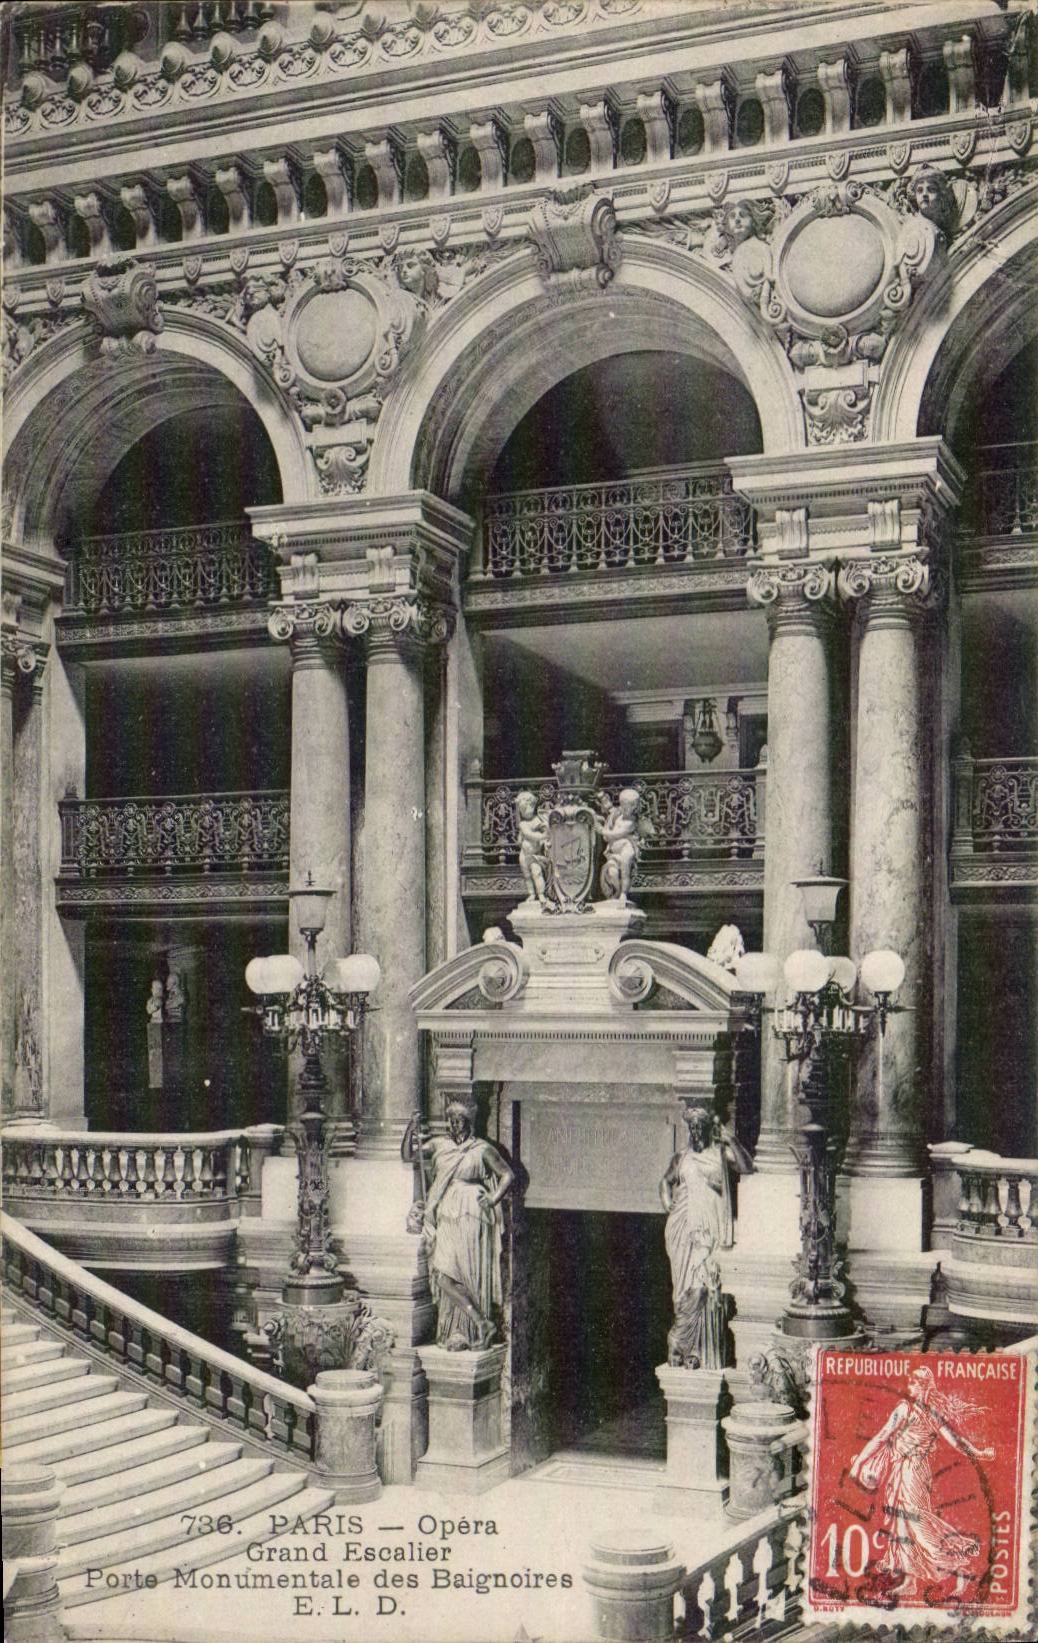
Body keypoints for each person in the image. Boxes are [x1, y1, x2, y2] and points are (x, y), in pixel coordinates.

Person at [849, 1365, 995, 1600]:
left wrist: (979, 1453)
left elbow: (955, 1441)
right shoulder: (905, 1409)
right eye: (910, 1383)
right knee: (901, 1524)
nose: (910, 1387)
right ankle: (909, 1581)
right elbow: (881, 1437)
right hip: (901, 1469)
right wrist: (858, 1464)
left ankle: (958, 1561)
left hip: (914, 1471)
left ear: (924, 1386)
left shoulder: (928, 1413)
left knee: (915, 1521)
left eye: (914, 1383)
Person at [409, 1103, 515, 1351]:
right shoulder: (440, 1145)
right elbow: (409, 1155)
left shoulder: (481, 1149)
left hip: (472, 1213)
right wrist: (410, 1130)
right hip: (446, 1210)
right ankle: (479, 1322)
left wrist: (493, 1198)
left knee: (468, 1273)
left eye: (459, 1119)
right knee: (442, 1272)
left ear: (469, 1122)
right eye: (451, 1120)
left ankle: (466, 1332)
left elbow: (508, 1175)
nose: (454, 1124)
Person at [659, 1107, 753, 1369]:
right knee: (684, 1289)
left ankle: (684, 1342)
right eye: (693, 1127)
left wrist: (731, 1139)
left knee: (703, 1289)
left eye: (701, 1127)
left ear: (709, 1130)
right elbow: (666, 1182)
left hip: (710, 1233)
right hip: (683, 1231)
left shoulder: (721, 1155)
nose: (696, 1132)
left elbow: (747, 1167)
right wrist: (668, 1203)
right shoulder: (682, 1157)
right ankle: (685, 1348)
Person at [515, 790, 550, 905]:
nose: (525, 811)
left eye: (527, 808)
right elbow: (527, 835)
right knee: (527, 876)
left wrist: (544, 836)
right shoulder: (523, 824)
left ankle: (541, 894)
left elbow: (545, 831)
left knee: (536, 873)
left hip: (535, 855)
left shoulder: (536, 820)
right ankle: (531, 894)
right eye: (522, 810)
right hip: (524, 855)